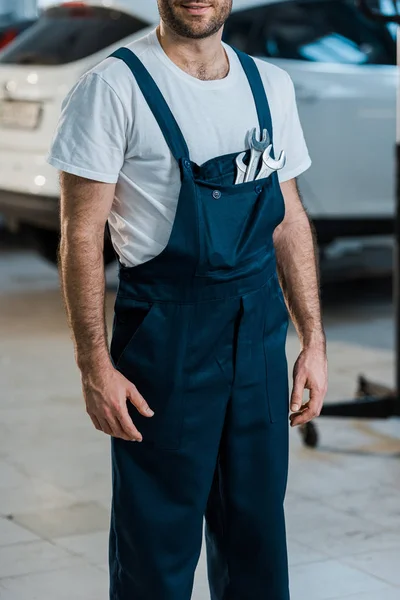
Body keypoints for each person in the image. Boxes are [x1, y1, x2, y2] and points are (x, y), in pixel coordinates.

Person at [48, 1, 328, 598]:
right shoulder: (112, 87)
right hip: (164, 331)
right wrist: (94, 366)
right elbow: (79, 236)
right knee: (157, 542)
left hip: (256, 332)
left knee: (255, 528)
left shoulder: (269, 86)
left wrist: (313, 342)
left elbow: (289, 220)